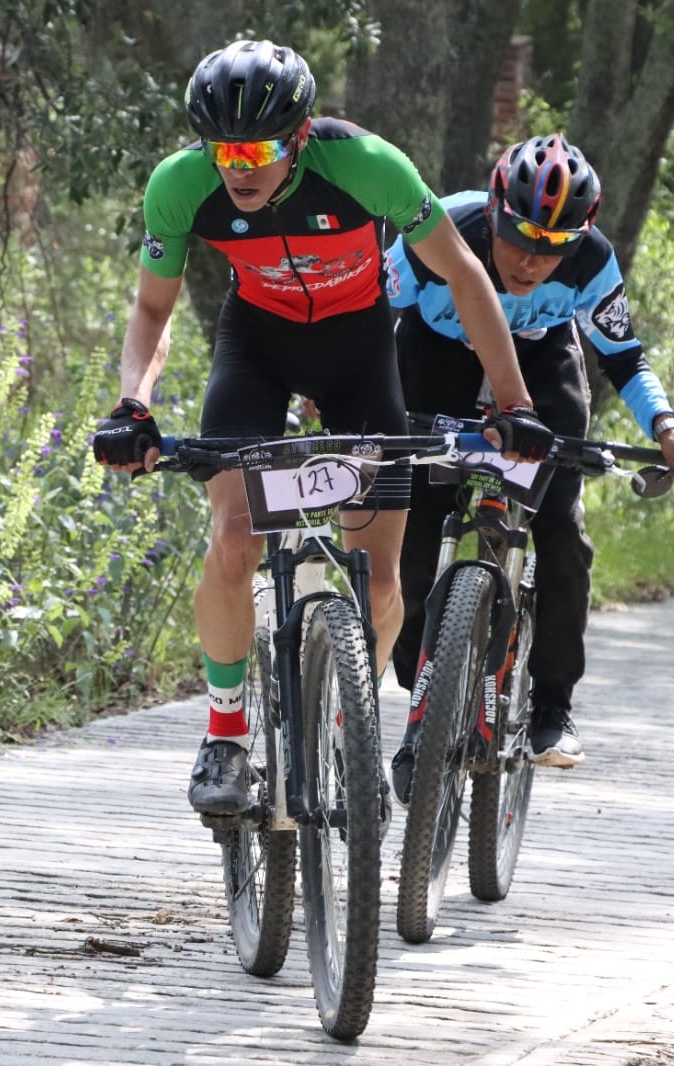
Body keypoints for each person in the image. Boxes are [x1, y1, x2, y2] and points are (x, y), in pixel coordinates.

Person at [91, 39, 553, 816]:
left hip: (358, 351)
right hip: (257, 349)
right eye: (223, 148)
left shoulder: (369, 166)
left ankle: (348, 722)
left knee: (378, 581)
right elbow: (151, 309)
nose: (238, 167)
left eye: (257, 149)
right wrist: (133, 406)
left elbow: (465, 275)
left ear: (300, 137)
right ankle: (227, 734)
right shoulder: (179, 186)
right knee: (235, 540)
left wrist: (515, 404)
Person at [384, 133, 674, 804]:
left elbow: (623, 358)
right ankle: (428, 697)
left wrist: (667, 427)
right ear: (495, 214)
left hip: (539, 362)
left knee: (562, 534)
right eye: (521, 239)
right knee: (410, 534)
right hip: (435, 358)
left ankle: (552, 707)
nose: (533, 262)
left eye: (552, 247)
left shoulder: (590, 260)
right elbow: (368, 321)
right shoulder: (439, 228)